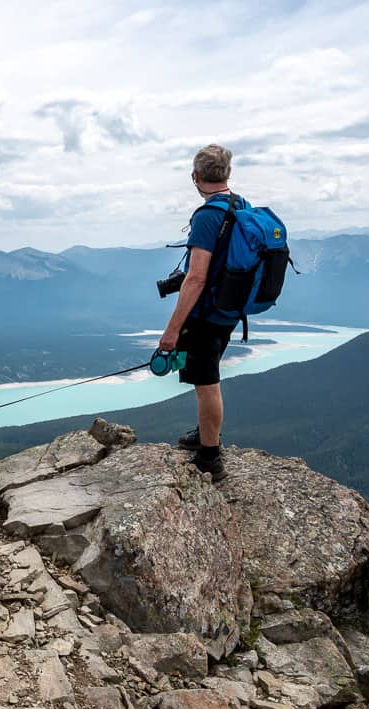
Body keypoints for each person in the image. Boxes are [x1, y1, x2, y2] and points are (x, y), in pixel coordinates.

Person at [157, 143, 240, 481]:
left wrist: (172, 329)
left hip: (206, 313)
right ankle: (204, 433)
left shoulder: (208, 215)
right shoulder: (239, 205)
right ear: (227, 173)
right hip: (229, 308)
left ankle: (210, 458)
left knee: (207, 383)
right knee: (208, 376)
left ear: (196, 176)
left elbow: (196, 277)